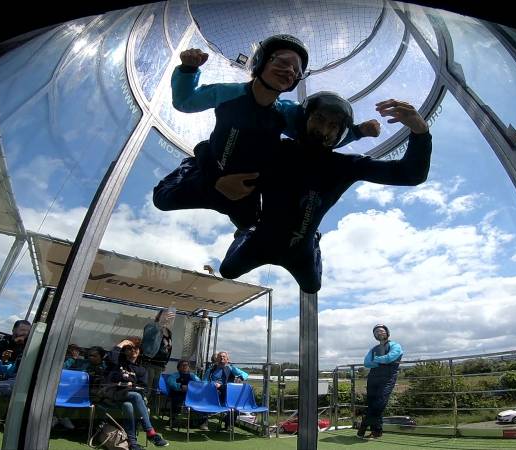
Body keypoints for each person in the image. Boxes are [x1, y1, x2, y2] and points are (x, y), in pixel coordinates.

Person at [153, 34, 379, 230]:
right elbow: (185, 102)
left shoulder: (286, 113)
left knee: (249, 225)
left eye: (296, 69)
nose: (289, 70)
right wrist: (188, 69)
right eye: (283, 61)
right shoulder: (228, 93)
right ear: (260, 62)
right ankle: (190, 167)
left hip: (246, 190)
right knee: (162, 199)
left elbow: (320, 137)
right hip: (210, 171)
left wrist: (357, 132)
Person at [218, 92, 432, 293]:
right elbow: (211, 148)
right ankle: (246, 232)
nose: (324, 130)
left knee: (312, 287)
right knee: (227, 270)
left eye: (333, 126)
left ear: (340, 133)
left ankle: (314, 241)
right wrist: (219, 178)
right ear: (305, 118)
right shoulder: (275, 150)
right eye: (319, 119)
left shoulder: (345, 166)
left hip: (300, 251)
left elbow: (411, 175)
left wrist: (420, 131)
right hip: (260, 241)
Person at [99, 338, 168, 449]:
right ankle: (151, 433)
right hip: (114, 396)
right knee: (135, 395)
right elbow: (110, 358)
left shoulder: (141, 370)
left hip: (128, 399)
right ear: (125, 351)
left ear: (139, 351)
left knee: (129, 406)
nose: (133, 350)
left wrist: (132, 386)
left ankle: (132, 444)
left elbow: (144, 389)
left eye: (136, 348)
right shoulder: (118, 363)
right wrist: (123, 343)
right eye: (129, 348)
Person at [358, 324, 403, 439]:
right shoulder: (373, 349)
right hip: (373, 378)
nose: (379, 333)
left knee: (379, 404)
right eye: (376, 332)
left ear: (387, 332)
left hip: (387, 378)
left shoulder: (395, 345)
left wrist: (376, 360)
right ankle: (376, 432)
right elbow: (366, 363)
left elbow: (390, 357)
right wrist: (382, 361)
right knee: (372, 403)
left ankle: (363, 427)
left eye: (381, 331)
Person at [203, 351, 249, 430]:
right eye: (220, 356)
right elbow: (204, 382)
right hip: (213, 391)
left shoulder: (231, 368)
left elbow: (245, 374)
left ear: (227, 359)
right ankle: (204, 422)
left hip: (227, 392)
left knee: (235, 403)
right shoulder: (211, 370)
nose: (222, 358)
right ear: (217, 359)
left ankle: (229, 424)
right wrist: (212, 384)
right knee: (205, 399)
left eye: (224, 357)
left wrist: (240, 378)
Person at [141, 309, 174, 408]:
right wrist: (160, 323)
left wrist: (165, 363)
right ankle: (141, 411)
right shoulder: (151, 326)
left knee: (154, 390)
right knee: (147, 388)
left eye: (169, 316)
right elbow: (148, 336)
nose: (167, 318)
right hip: (149, 362)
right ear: (159, 316)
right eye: (164, 315)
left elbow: (168, 348)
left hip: (159, 365)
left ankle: (147, 411)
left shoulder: (168, 331)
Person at [167, 360, 206, 429]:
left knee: (201, 400)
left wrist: (192, 388)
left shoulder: (192, 375)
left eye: (186, 365)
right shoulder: (175, 375)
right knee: (177, 400)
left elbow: (199, 382)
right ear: (178, 367)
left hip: (190, 395)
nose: (185, 366)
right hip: (178, 394)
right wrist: (180, 386)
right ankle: (173, 419)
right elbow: (171, 382)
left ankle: (199, 421)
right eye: (183, 365)